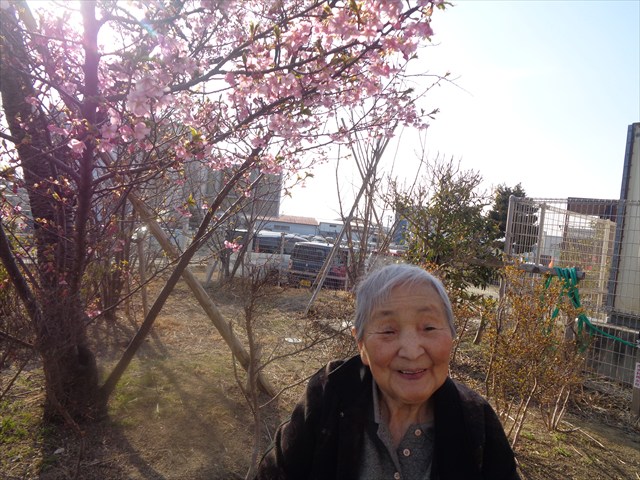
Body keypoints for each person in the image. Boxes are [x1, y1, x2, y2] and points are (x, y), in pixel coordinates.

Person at [255, 263, 520, 480]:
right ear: (361, 345)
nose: (411, 351)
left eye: (429, 328)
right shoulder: (330, 395)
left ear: (451, 335)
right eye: (388, 331)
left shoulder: (475, 420)